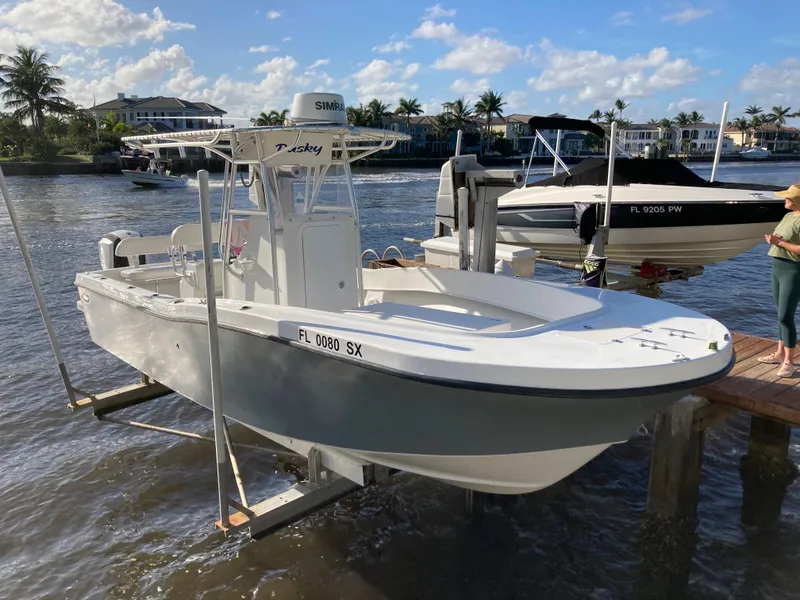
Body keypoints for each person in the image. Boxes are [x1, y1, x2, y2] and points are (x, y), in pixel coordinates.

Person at [759, 184, 800, 377]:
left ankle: (789, 362)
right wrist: (773, 240)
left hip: (793, 270)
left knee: (786, 315)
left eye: (788, 198)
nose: (784, 200)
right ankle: (779, 353)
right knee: (780, 314)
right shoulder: (787, 216)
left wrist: (779, 242)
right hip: (777, 266)